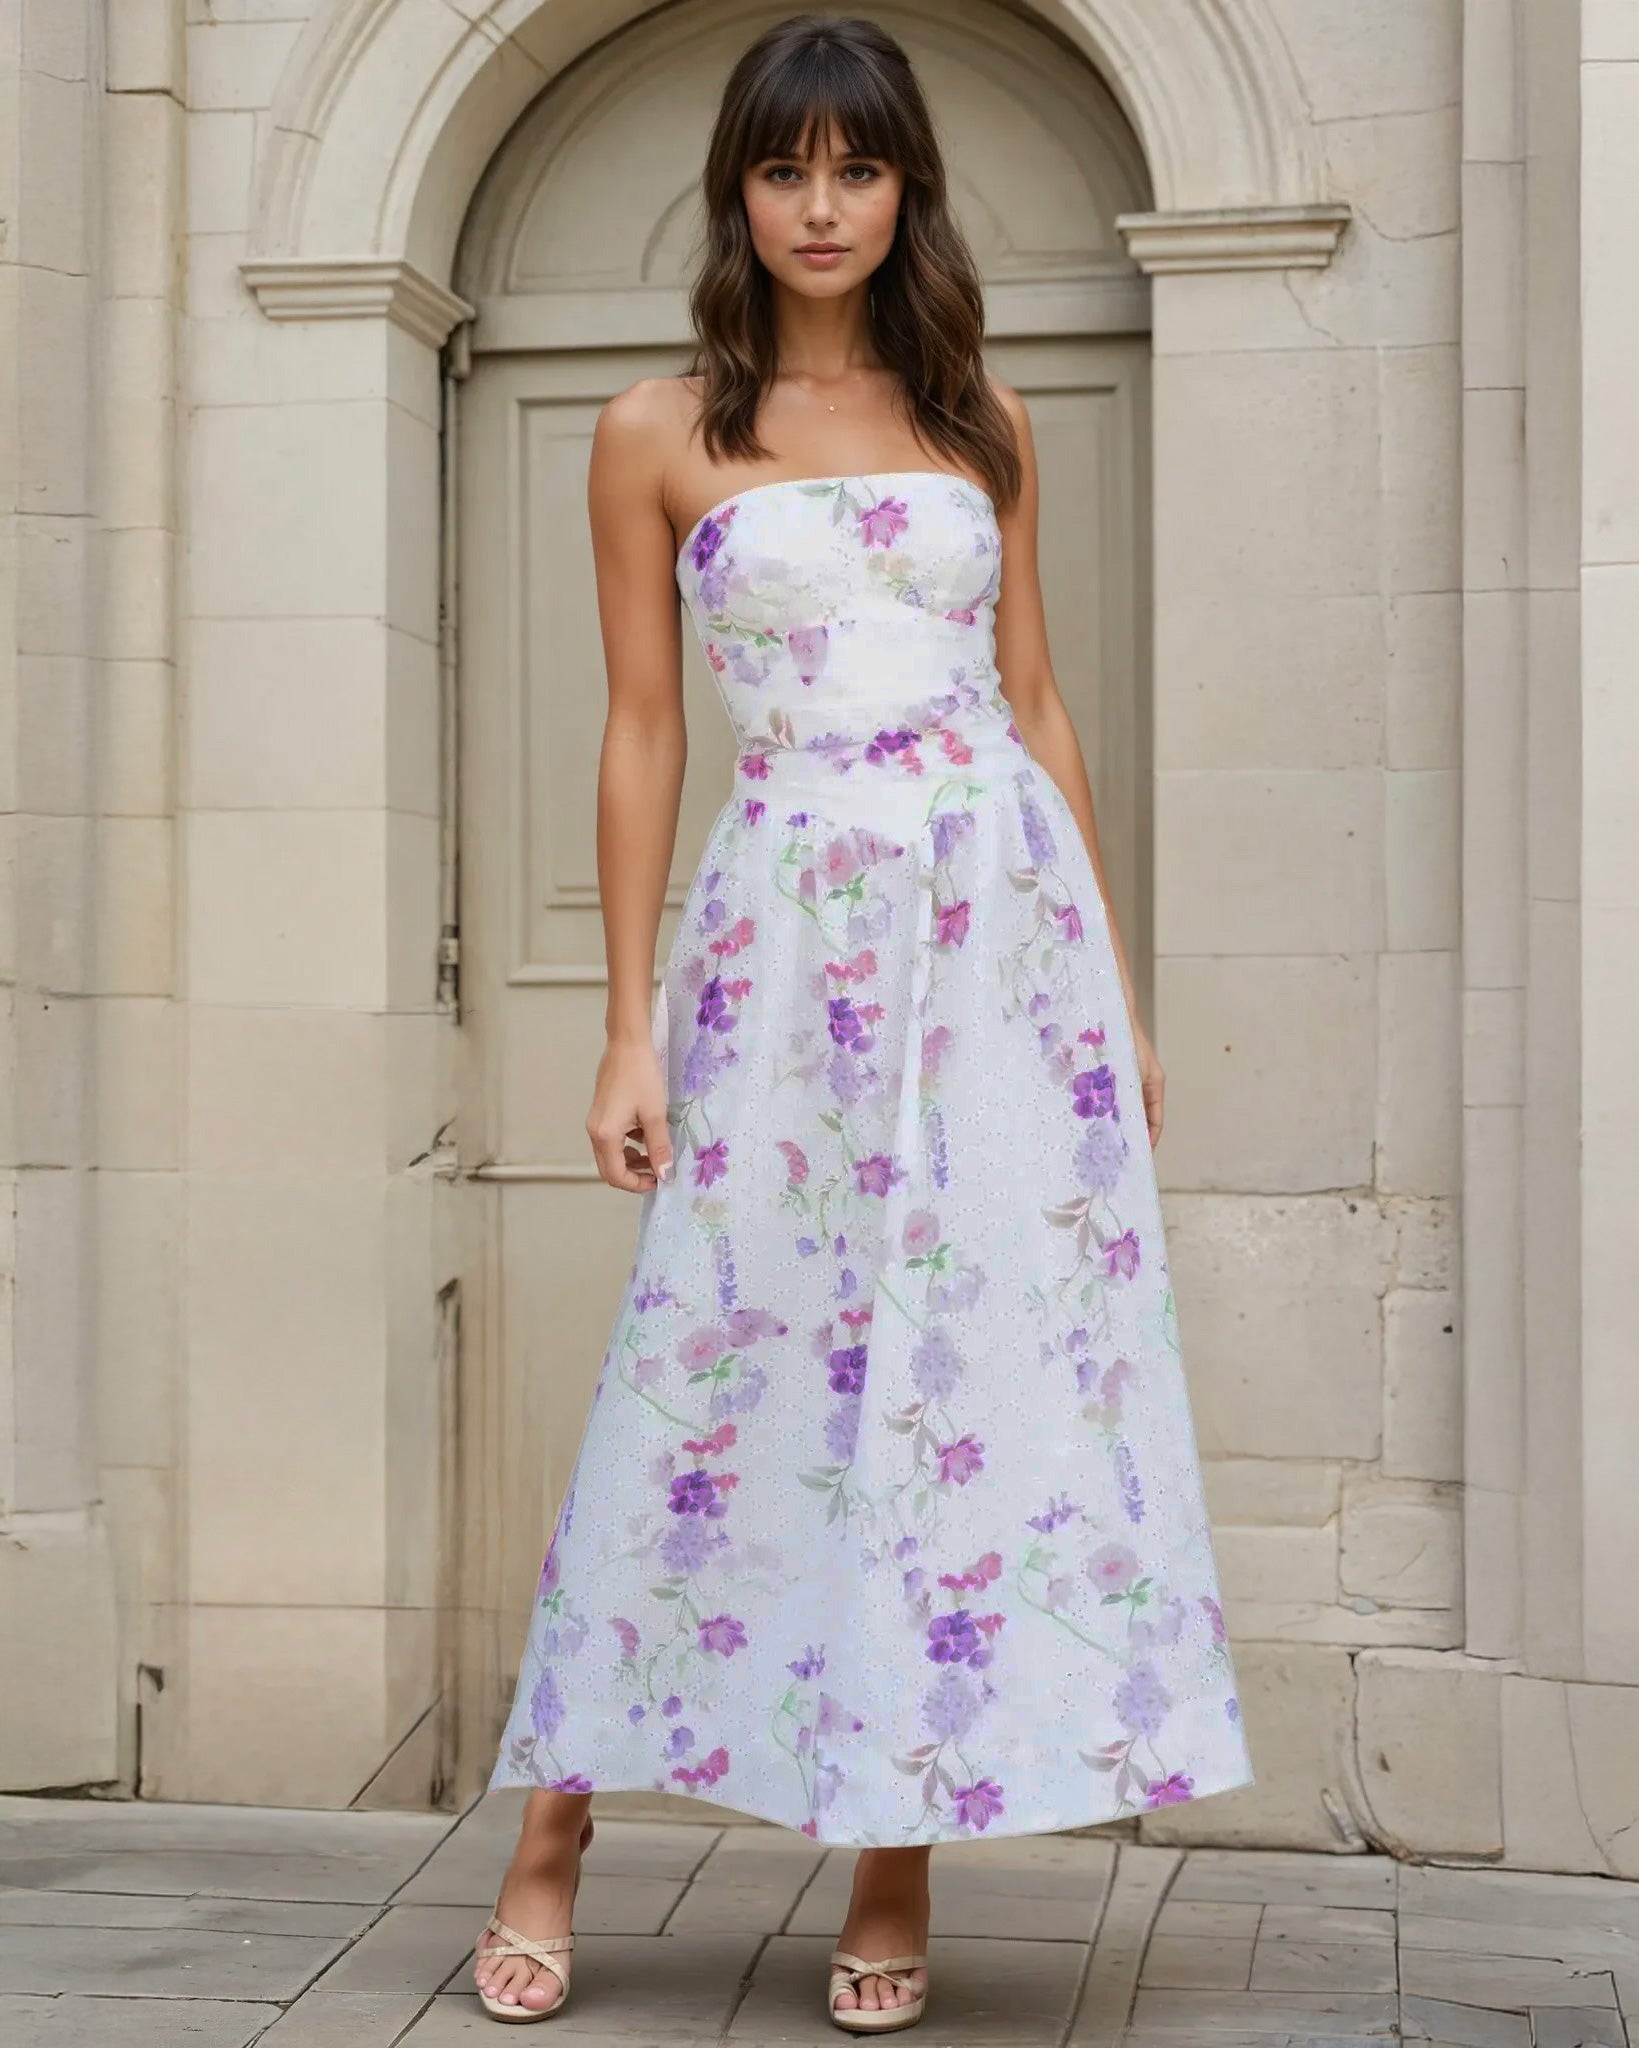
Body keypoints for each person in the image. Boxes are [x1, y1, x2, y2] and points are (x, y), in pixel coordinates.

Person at [472, 11, 1253, 2031]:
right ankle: (552, 1828)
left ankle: (892, 1855)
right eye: (783, 169)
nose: (822, 206)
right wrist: (628, 1024)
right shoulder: (653, 429)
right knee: (713, 1358)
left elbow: (1038, 705)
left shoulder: (982, 412)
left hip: (1000, 950)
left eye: (858, 169)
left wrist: (1115, 998)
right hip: (784, 939)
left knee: (952, 1372)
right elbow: (644, 735)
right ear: (738, 191)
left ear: (904, 190)